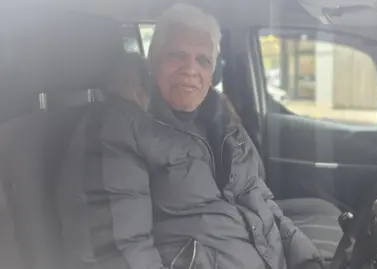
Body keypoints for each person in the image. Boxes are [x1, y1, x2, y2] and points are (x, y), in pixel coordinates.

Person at [57, 3, 325, 269]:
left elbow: (263, 204)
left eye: (203, 60)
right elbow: (120, 250)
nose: (190, 68)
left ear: (213, 74)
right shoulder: (117, 130)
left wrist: (307, 259)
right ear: (153, 61)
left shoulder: (227, 126)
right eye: (177, 55)